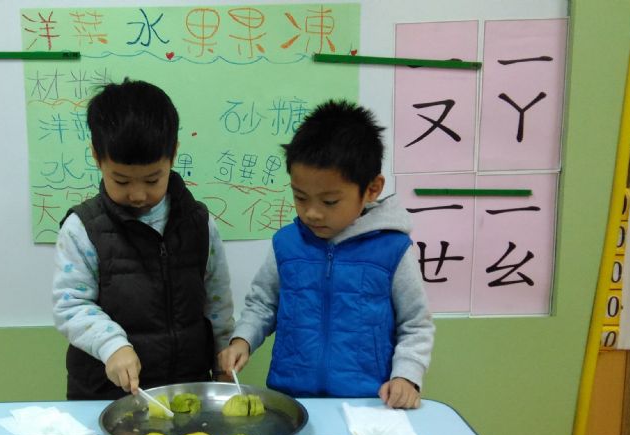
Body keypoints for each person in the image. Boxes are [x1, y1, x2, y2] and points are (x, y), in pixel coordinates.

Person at [218, 100, 434, 409]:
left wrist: (407, 376)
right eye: (300, 197)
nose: (312, 213)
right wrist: (243, 340)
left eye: (330, 201)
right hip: (291, 399)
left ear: (372, 189)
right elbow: (262, 304)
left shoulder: (392, 249)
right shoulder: (287, 244)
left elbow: (415, 324)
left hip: (367, 402)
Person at [52, 79, 234, 400]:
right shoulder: (82, 229)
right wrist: (112, 345)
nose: (137, 195)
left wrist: (222, 362)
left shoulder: (199, 224)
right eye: (121, 181)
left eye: (152, 180)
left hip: (185, 391)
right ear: (97, 156)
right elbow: (71, 305)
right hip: (105, 394)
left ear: (173, 154)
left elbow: (217, 302)